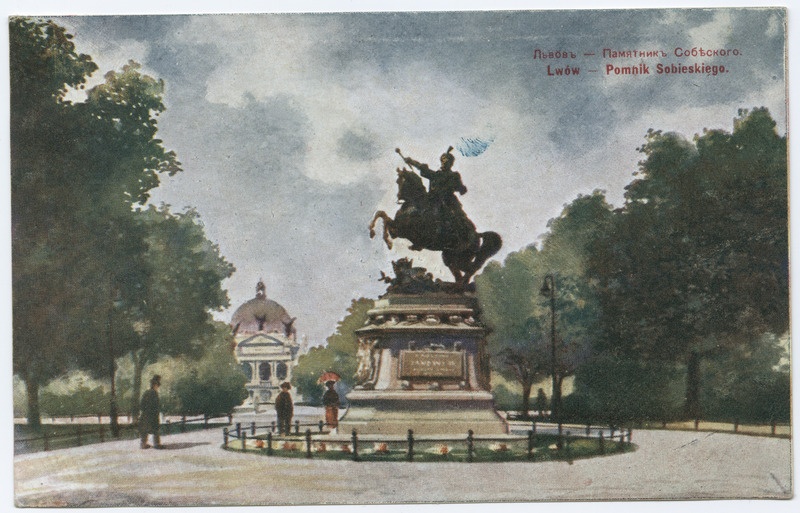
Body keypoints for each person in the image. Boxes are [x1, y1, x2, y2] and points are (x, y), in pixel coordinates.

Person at [139, 375, 163, 449]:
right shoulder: (154, 393)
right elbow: (156, 405)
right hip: (152, 415)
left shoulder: (146, 392)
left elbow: (142, 404)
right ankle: (157, 444)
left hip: (145, 414)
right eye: (157, 386)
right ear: (155, 385)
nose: (157, 387)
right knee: (155, 429)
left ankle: (143, 444)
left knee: (145, 430)